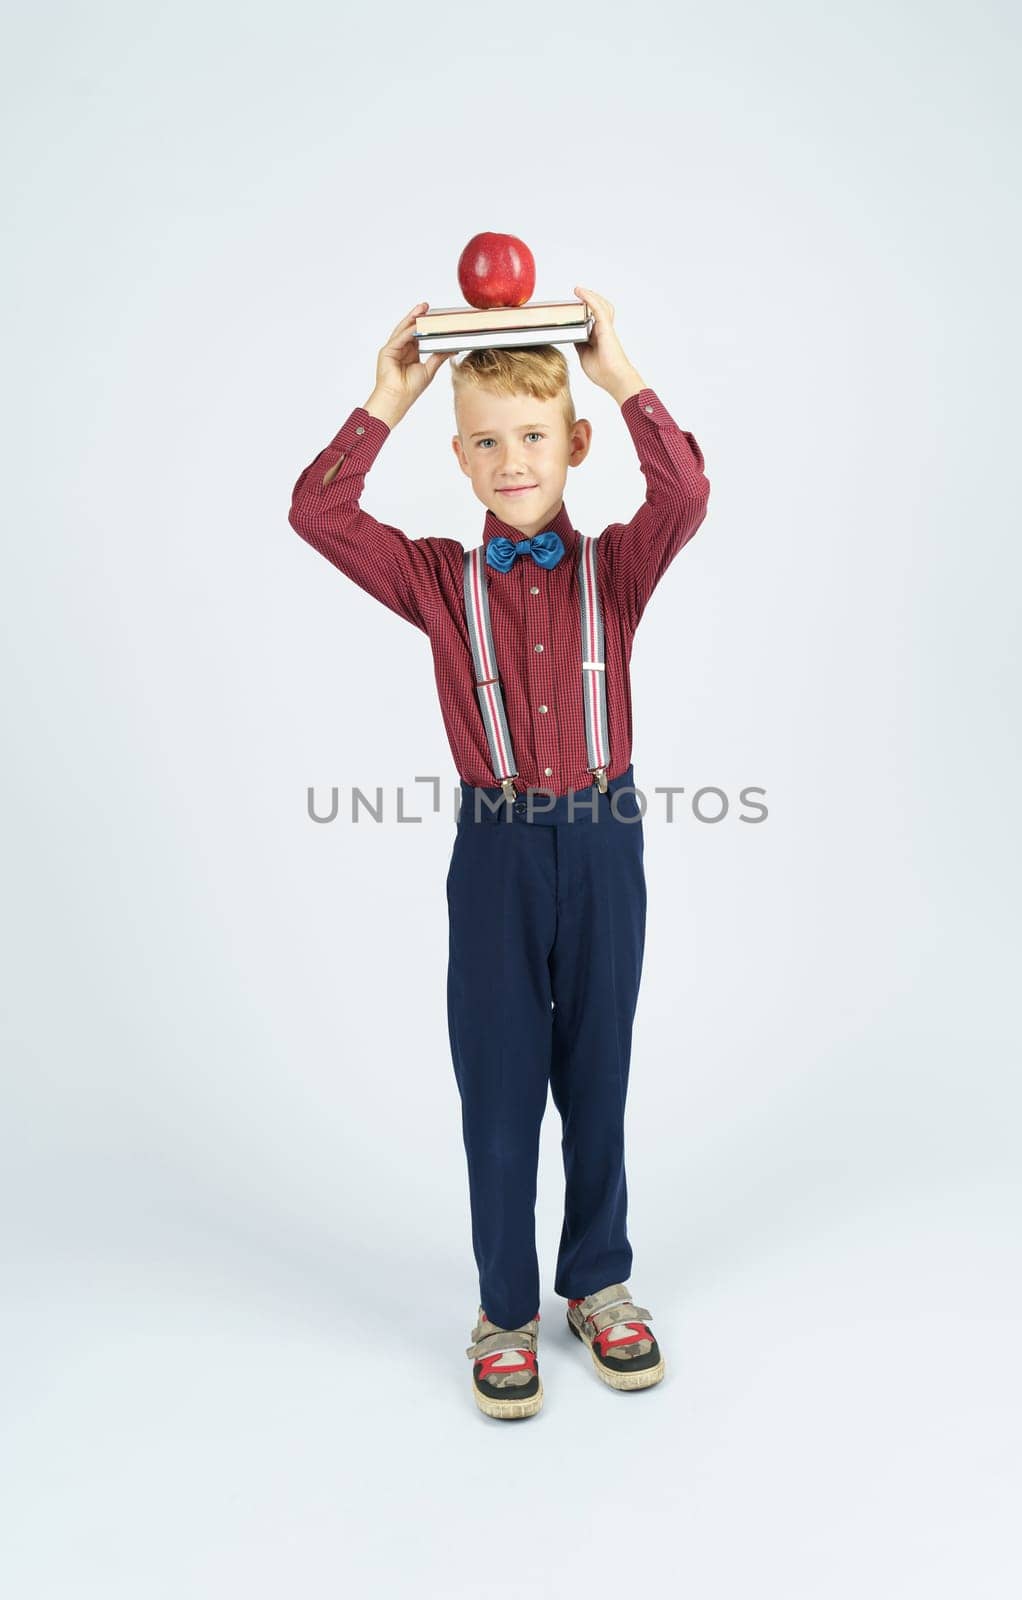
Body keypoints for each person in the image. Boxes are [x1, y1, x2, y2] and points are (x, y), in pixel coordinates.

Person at [288, 286, 710, 1420]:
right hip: (495, 850)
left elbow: (685, 488)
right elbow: (318, 516)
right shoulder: (437, 580)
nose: (511, 459)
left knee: (597, 1071)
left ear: (573, 446)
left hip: (604, 838)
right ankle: (503, 1307)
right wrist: (390, 392)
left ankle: (599, 1281)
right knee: (499, 1081)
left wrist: (615, 370)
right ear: (461, 459)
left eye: (532, 436)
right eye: (485, 442)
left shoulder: (614, 571)